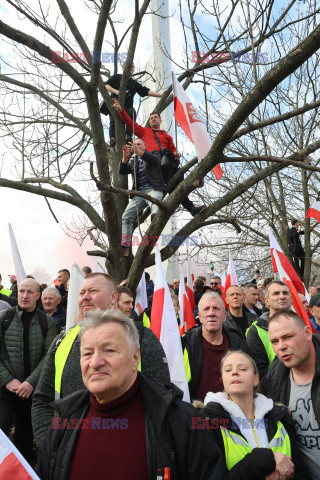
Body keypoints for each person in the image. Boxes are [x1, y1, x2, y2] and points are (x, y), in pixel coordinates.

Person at [36, 309, 223, 480]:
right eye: (87, 353)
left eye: (109, 350)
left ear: (135, 358)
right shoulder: (64, 421)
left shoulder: (180, 422)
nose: (95, 362)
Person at [32, 272, 170, 446]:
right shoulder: (62, 341)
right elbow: (42, 399)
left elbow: (162, 396)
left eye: (93, 291)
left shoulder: (141, 337)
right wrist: (49, 445)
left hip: (126, 449)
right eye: (82, 293)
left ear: (114, 297)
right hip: (67, 453)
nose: (86, 297)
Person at [203, 350, 309, 480]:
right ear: (223, 380)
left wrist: (289, 474)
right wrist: (261, 460)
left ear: (256, 379)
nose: (235, 372)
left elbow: (302, 473)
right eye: (228, 370)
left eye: (242, 368)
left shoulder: (280, 417)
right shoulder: (209, 423)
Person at [113, 97, 204, 216]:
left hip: (164, 166)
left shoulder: (167, 136)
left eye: (155, 117)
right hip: (150, 163)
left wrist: (176, 154)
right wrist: (121, 111)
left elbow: (173, 151)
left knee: (177, 185)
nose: (153, 119)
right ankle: (137, 211)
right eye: (151, 118)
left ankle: (191, 208)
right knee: (142, 183)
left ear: (160, 120)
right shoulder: (144, 131)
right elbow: (130, 124)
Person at [0, 278, 56, 463]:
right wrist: (7, 380)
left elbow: (49, 357)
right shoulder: (3, 318)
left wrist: (30, 383)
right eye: (21, 291)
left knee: (24, 438)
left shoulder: (46, 322)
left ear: (38, 295)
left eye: (30, 292)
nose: (24, 295)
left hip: (31, 392)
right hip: (4, 390)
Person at [264, 309, 320, 479]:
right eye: (274, 341)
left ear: (307, 333)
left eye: (288, 337)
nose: (281, 346)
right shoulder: (273, 380)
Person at [182, 291, 251, 401]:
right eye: (206, 309)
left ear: (224, 316)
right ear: (199, 317)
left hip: (233, 411)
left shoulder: (239, 344)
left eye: (216, 308)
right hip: (195, 413)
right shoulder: (186, 344)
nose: (211, 313)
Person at [120, 138, 166, 256]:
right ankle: (125, 244)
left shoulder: (153, 153)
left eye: (139, 144)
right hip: (139, 193)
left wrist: (138, 151)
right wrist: (125, 158)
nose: (136, 146)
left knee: (155, 203)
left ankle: (155, 223)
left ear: (145, 146)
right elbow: (123, 171)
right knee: (126, 217)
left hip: (153, 189)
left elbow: (155, 161)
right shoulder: (133, 160)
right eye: (134, 145)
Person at [100, 62, 163, 146]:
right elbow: (106, 86)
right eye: (129, 67)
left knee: (132, 113)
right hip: (115, 105)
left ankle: (128, 136)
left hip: (127, 108)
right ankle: (113, 139)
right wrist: (116, 92)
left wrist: (161, 95)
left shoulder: (133, 83)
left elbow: (145, 91)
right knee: (113, 122)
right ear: (123, 68)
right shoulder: (116, 77)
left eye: (133, 68)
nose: (131, 70)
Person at [246, 280, 292, 379]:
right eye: (276, 293)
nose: (282, 297)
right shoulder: (256, 331)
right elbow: (260, 372)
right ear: (267, 301)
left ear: (291, 298)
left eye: (285, 293)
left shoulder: (301, 325)